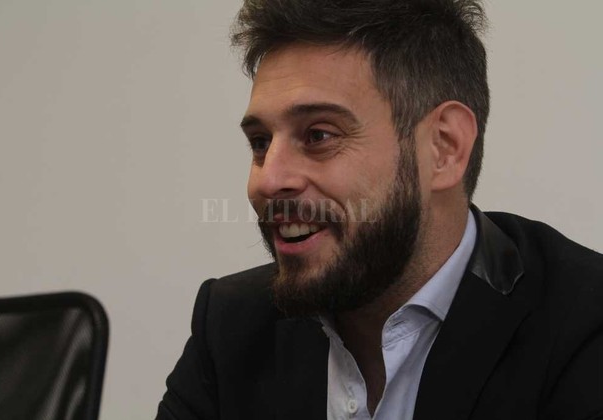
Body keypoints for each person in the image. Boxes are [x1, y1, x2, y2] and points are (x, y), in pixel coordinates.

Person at [157, 1, 603, 419]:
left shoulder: (582, 326)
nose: (266, 181)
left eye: (318, 135)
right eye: (260, 142)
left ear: (443, 148)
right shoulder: (231, 326)